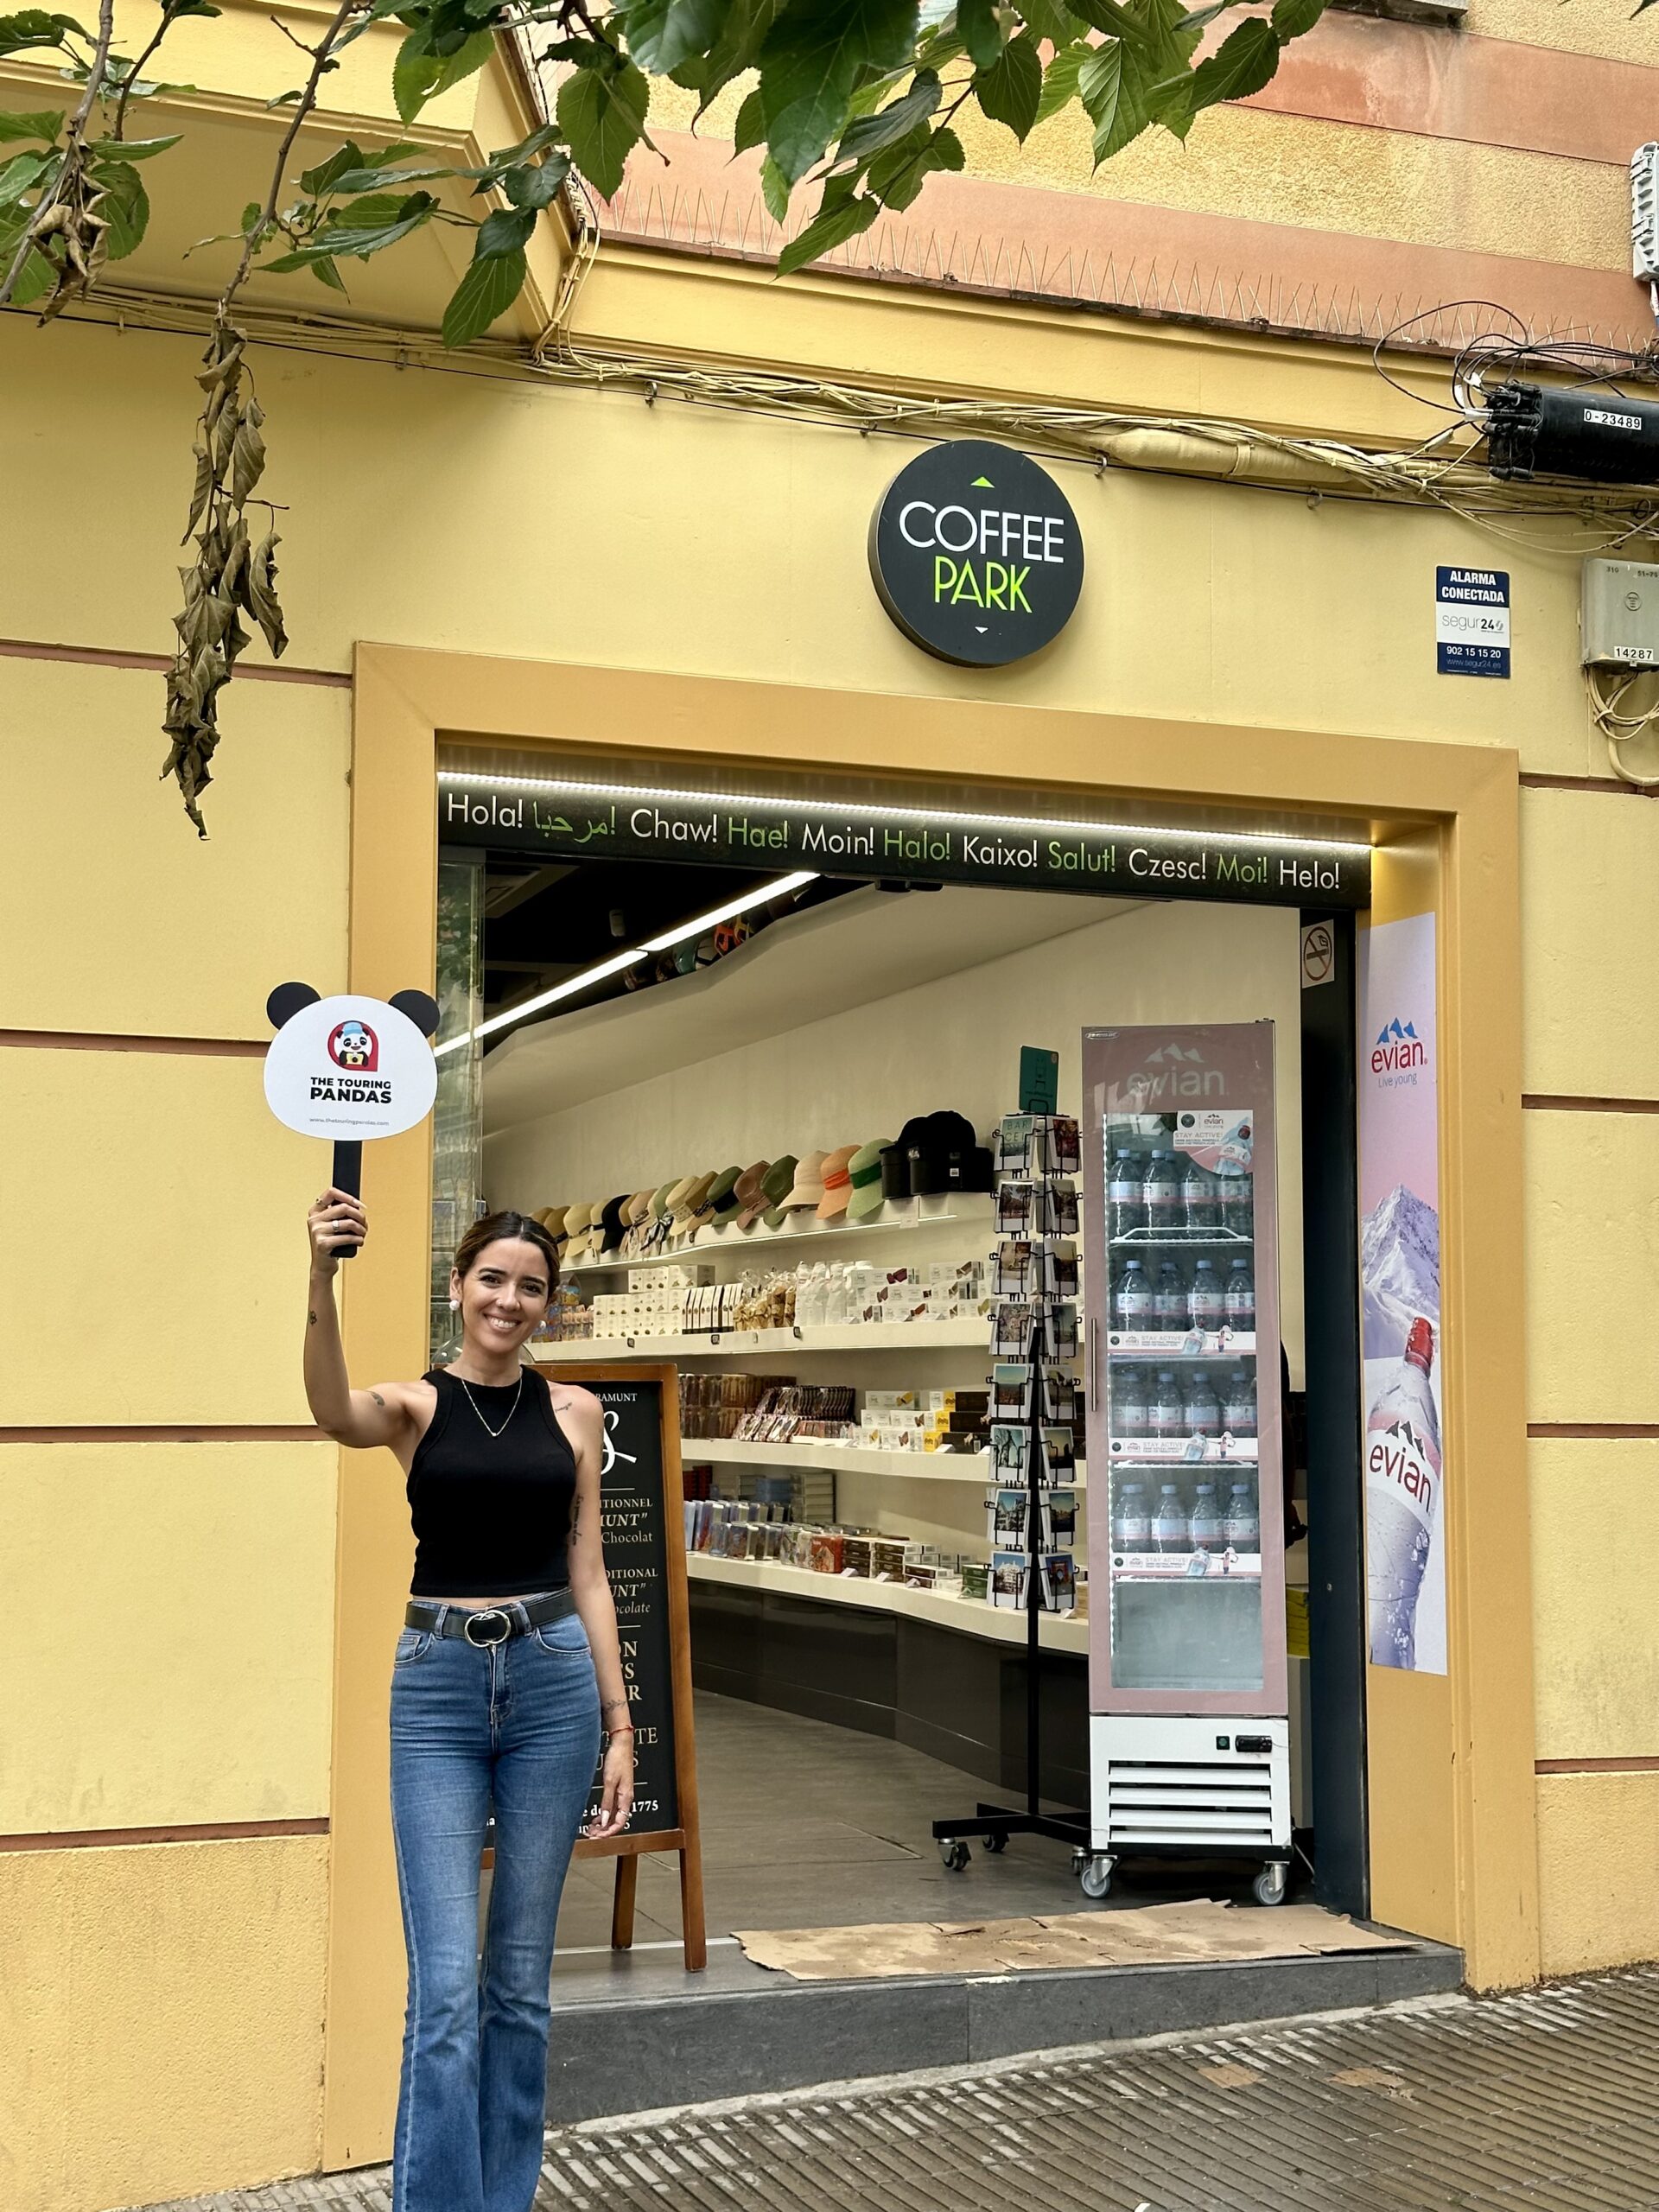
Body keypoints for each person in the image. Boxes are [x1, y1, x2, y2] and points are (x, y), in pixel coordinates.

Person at [302, 1189, 634, 2212]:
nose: (510, 1299)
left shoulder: (575, 1413)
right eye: (493, 1278)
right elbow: (329, 1410)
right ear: (459, 1286)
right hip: (438, 1688)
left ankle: (503, 2199)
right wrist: (320, 1273)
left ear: (547, 1303)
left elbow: (589, 1572)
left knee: (519, 1989)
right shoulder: (416, 1405)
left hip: (552, 1683)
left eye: (531, 1286)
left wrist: (622, 1723)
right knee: (446, 1992)